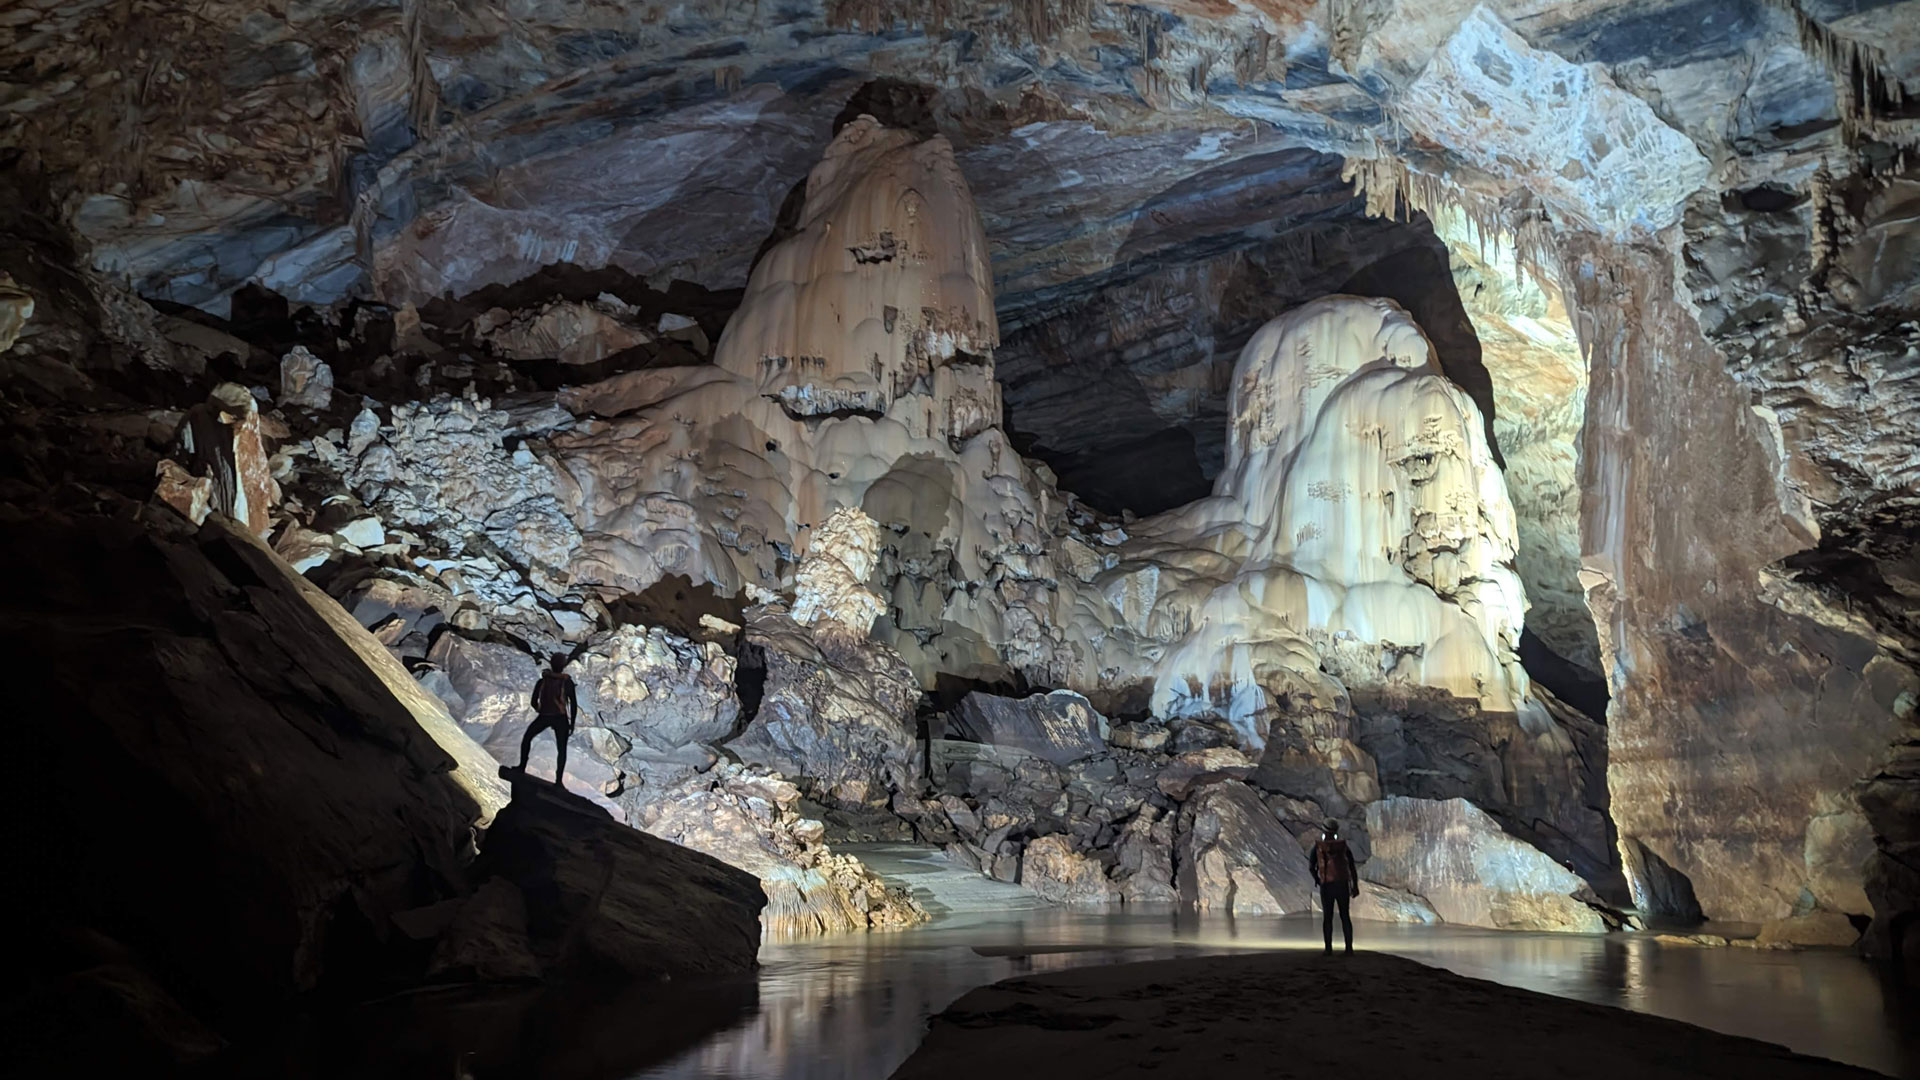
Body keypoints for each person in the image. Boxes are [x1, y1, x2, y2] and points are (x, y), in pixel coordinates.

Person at [516, 653, 578, 783]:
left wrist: (540, 709)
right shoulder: (567, 682)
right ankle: (558, 781)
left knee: (527, 737)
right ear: (563, 665)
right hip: (560, 718)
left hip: (544, 716)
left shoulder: (543, 680)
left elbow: (534, 701)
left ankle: (522, 766)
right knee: (562, 749)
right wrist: (572, 723)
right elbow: (573, 704)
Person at [1309, 818, 1359, 953]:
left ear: (1323, 831)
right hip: (1342, 885)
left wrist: (1318, 880)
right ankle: (1349, 949)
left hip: (1327, 886)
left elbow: (1311, 867)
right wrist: (1355, 886)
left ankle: (1328, 949)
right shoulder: (1343, 846)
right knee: (1345, 916)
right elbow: (1352, 866)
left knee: (1327, 918)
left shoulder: (1318, 847)